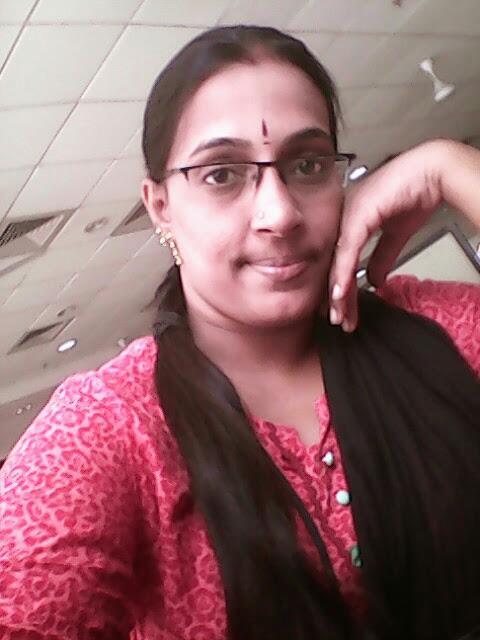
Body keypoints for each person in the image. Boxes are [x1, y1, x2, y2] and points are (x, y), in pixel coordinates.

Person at [0, 25, 479, 640]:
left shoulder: (429, 326)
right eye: (222, 174)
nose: (280, 214)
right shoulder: (116, 426)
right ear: (160, 206)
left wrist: (450, 166)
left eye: (308, 165)